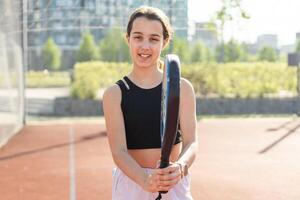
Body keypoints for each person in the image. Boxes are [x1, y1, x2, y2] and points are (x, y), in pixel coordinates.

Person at [103, 6, 198, 200]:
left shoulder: (182, 88)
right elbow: (118, 151)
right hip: (132, 184)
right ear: (127, 39)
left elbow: (192, 143)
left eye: (154, 39)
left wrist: (180, 168)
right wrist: (145, 179)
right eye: (138, 37)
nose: (145, 46)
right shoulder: (115, 94)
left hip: (173, 183)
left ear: (164, 42)